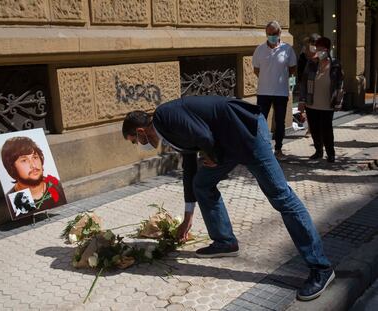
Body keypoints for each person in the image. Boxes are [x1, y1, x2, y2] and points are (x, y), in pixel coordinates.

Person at [122, 95, 334, 301]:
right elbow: (190, 167)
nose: (138, 145)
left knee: (281, 197)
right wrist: (188, 217)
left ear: (141, 132)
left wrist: (213, 156)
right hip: (227, 141)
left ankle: (320, 268)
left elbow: (204, 137)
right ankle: (225, 241)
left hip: (246, 132)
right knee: (201, 183)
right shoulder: (166, 130)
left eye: (134, 141)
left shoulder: (164, 117)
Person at [252, 20, 297, 160]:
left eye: (274, 33)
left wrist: (280, 79)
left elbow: (292, 69)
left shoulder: (287, 49)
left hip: (280, 92)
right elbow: (256, 70)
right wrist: (268, 79)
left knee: (280, 122)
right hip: (263, 92)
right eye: (269, 34)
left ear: (279, 33)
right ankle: (262, 149)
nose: (271, 36)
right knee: (260, 121)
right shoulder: (259, 49)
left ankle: (278, 149)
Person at [299, 36, 344, 163]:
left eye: (322, 49)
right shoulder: (311, 63)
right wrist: (302, 100)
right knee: (314, 129)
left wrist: (338, 101)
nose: (319, 51)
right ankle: (318, 151)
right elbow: (303, 83)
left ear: (328, 49)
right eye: (317, 48)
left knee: (327, 130)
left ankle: (331, 154)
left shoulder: (335, 64)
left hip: (327, 103)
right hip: (311, 103)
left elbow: (340, 84)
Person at [1, 136, 67, 215]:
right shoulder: (15, 199)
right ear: (11, 167)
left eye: (35, 157)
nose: (33, 165)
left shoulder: (56, 185)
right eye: (24, 160)